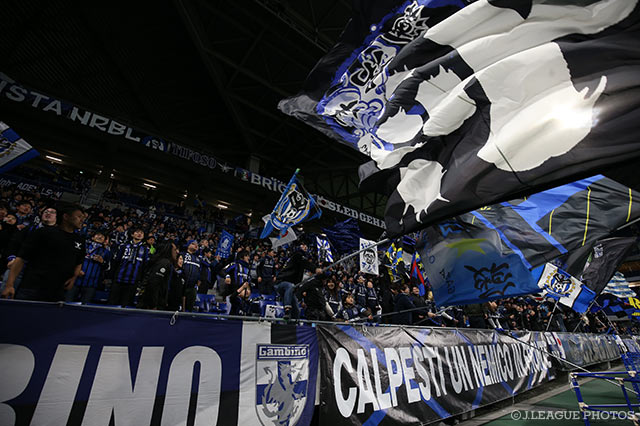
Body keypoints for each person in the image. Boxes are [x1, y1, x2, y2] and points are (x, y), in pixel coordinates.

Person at [1, 203, 85, 301]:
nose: (82, 220)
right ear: (66, 217)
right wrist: (9, 285)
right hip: (32, 288)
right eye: (79, 216)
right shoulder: (43, 232)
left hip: (58, 291)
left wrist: (74, 277)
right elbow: (21, 258)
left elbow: (79, 261)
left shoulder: (80, 240)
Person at [66, 231, 111, 304]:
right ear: (92, 237)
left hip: (91, 284)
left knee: (85, 306)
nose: (100, 237)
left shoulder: (106, 252)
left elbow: (107, 268)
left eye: (102, 236)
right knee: (68, 303)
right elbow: (72, 259)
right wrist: (77, 270)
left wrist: (102, 261)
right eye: (98, 234)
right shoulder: (82, 246)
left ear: (104, 240)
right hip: (76, 280)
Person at [108, 228, 150, 307]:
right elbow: (116, 261)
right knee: (112, 303)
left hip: (133, 282)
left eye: (141, 233)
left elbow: (145, 266)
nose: (139, 234)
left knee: (126, 305)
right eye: (137, 232)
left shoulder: (145, 249)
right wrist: (111, 276)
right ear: (132, 234)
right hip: (118, 279)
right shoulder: (123, 246)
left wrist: (141, 281)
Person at [275, 242, 314, 319]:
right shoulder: (297, 255)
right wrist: (315, 269)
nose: (305, 247)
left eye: (306, 245)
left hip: (291, 287)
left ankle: (294, 322)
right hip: (281, 283)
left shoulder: (299, 258)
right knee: (289, 285)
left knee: (296, 310)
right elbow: (306, 263)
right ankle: (287, 309)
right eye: (303, 245)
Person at [137, 241, 178, 310]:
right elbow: (154, 284)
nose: (177, 252)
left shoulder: (163, 262)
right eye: (175, 250)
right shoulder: (164, 263)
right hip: (154, 305)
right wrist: (153, 305)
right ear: (168, 250)